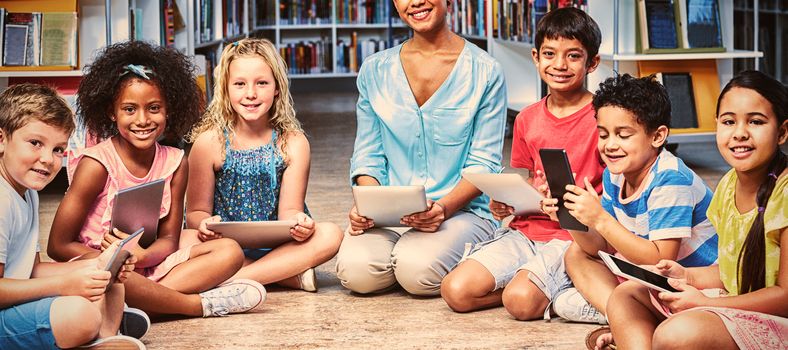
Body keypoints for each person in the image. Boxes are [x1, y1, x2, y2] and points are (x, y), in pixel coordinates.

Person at [47, 41, 266, 319]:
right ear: (111, 112)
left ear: (169, 110)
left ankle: (139, 304)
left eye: (153, 108)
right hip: (100, 266)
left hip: (149, 264)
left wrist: (141, 257)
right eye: (129, 109)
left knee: (230, 251)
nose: (142, 120)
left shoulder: (175, 162)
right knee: (113, 276)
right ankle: (195, 305)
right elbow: (58, 245)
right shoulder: (96, 164)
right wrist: (114, 260)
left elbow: (168, 239)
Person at [598, 70, 787, 350]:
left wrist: (706, 303)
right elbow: (731, 271)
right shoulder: (728, 185)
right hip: (735, 303)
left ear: (782, 132)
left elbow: (784, 297)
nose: (739, 133)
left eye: (756, 122)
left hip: (774, 316)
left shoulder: (783, 194)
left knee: (676, 335)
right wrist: (686, 277)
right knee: (627, 293)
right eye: (728, 121)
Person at [440, 7, 606, 323]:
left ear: (592, 62)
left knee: (520, 303)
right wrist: (508, 202)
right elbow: (527, 179)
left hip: (574, 238)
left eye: (573, 56)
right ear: (535, 57)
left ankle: (542, 287)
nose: (559, 65)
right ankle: (530, 285)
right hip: (527, 230)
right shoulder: (527, 118)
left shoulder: (603, 117)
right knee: (456, 291)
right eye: (549, 54)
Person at [335, 0, 507, 296]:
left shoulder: (486, 71)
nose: (415, 2)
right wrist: (369, 203)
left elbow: (484, 163)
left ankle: (418, 254)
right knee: (356, 272)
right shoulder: (375, 70)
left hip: (460, 212)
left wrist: (442, 208)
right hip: (389, 213)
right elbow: (368, 155)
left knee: (417, 272)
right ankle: (403, 252)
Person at [542, 73, 719, 324]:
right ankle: (616, 315)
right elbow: (599, 246)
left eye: (623, 135)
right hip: (649, 273)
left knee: (609, 274)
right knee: (577, 253)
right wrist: (571, 217)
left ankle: (621, 314)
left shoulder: (671, 178)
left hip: (692, 281)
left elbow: (660, 259)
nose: (610, 145)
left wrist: (601, 219)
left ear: (657, 136)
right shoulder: (615, 174)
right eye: (604, 135)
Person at [185, 38, 343, 292]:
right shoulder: (208, 143)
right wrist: (203, 224)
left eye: (262, 83)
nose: (251, 94)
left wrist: (300, 224)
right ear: (225, 89)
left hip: (280, 245)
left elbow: (289, 211)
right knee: (183, 241)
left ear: (277, 88)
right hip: (225, 246)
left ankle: (231, 280)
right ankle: (284, 275)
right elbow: (195, 213)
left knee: (331, 234)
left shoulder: (293, 142)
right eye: (239, 84)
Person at [0, 83, 144, 349]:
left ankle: (104, 336)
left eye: (57, 150)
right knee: (79, 314)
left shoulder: (28, 192)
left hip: (14, 304)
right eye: (35, 143)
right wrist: (64, 284)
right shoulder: (2, 200)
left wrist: (97, 265)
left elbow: (30, 270)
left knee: (103, 272)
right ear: (2, 139)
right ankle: (93, 332)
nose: (47, 159)